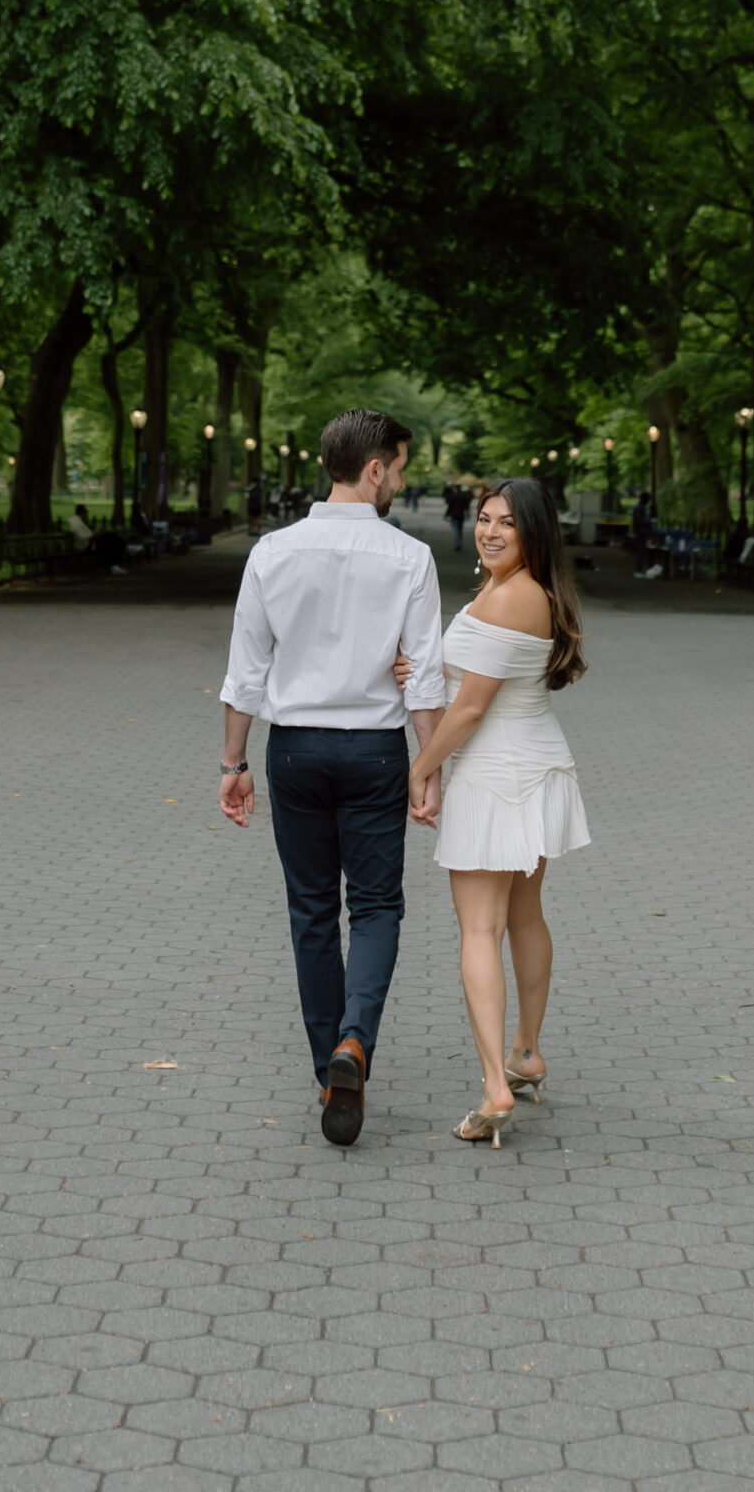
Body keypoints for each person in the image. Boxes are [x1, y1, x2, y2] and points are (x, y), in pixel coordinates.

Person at [218, 408, 446, 1147]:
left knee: (312, 911)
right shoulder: (409, 559)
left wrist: (233, 765)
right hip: (376, 750)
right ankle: (356, 1042)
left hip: (295, 751)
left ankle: (328, 1073)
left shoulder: (272, 552)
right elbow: (426, 678)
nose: (402, 482)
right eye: (400, 468)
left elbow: (245, 671)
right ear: (373, 468)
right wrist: (429, 767)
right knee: (377, 907)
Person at [402, 477, 590, 1149]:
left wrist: (418, 771)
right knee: (525, 915)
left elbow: (473, 709)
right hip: (538, 767)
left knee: (479, 931)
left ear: (533, 530)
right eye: (484, 519)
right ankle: (526, 1052)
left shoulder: (508, 595)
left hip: (494, 775)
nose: (489, 531)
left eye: (506, 522)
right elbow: (481, 676)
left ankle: (494, 1088)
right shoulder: (530, 592)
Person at [443, 480, 470, 551]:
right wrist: (467, 514)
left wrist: (446, 515)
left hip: (454, 514)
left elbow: (450, 506)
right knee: (460, 529)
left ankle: (458, 544)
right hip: (461, 514)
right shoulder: (464, 496)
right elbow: (466, 506)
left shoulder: (453, 496)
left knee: (456, 530)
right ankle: (459, 542)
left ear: (455, 489)